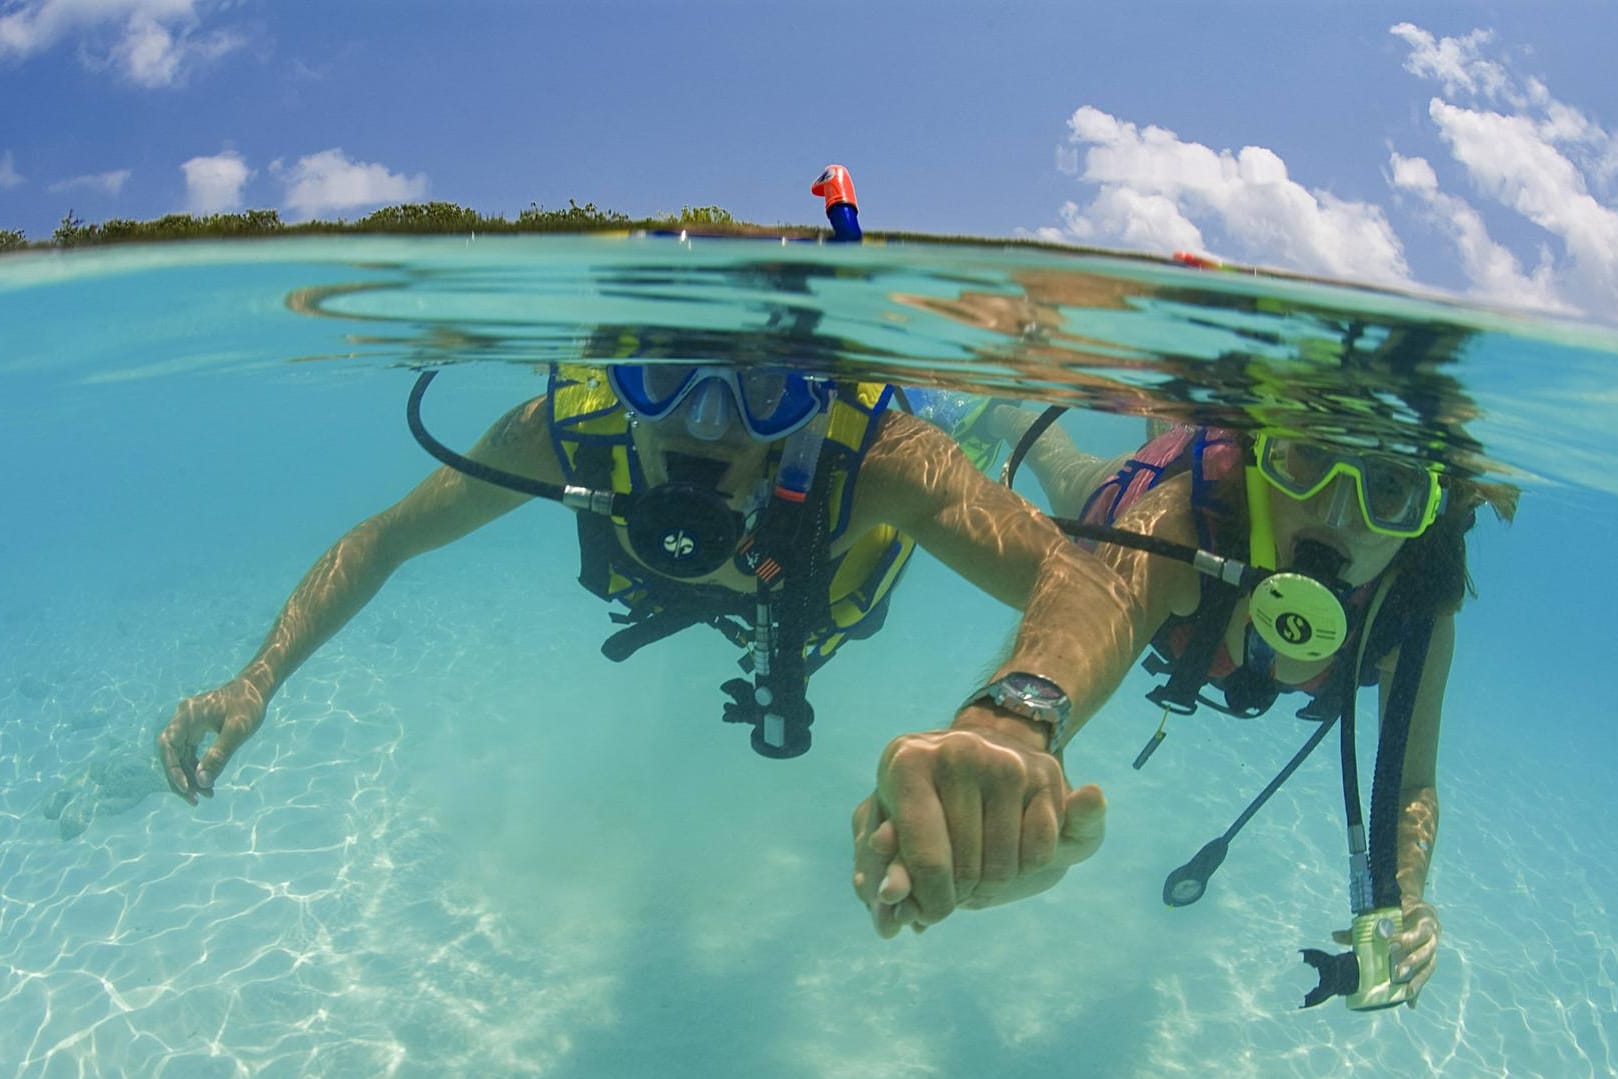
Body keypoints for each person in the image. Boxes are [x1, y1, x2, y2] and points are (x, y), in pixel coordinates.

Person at [158, 360, 1124, 913]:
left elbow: (1078, 576)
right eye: (663, 374)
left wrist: (1013, 718)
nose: (707, 418)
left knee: (969, 437)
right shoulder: (560, 433)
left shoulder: (880, 457)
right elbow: (383, 540)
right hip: (767, 598)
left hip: (845, 576)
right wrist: (258, 678)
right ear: (617, 374)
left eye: (764, 387)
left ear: (813, 398)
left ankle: (999, 412)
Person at [852, 408, 1513, 1009]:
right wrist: (1016, 727)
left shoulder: (1413, 613)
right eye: (1308, 460)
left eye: (1389, 489)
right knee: (1071, 474)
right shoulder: (1180, 522)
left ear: (1427, 514)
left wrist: (1406, 890)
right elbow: (1101, 602)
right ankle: (1015, 412)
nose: (1336, 515)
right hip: (1134, 506)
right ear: (1261, 455)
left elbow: (1411, 783)